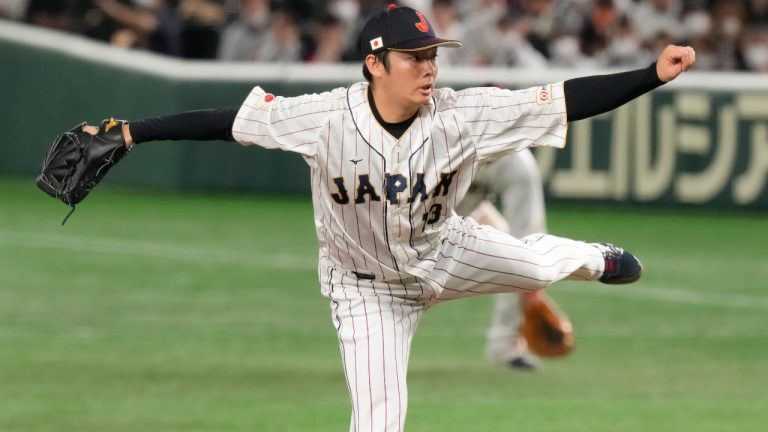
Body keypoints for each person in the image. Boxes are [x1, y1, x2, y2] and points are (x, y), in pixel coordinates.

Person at [81, 5, 695, 431]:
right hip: (366, 290)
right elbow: (223, 122)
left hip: (448, 250)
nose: (430, 68)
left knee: (538, 261)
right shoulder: (323, 118)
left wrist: (650, 75)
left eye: (433, 55)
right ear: (375, 63)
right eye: (414, 57)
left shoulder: (462, 114)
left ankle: (596, 255)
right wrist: (131, 133)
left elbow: (566, 99)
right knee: (379, 421)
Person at [456, 148, 553, 370]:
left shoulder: (517, 161)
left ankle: (505, 344)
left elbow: (529, 238)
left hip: (460, 220)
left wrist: (533, 295)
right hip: (401, 222)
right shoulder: (437, 139)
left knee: (516, 255)